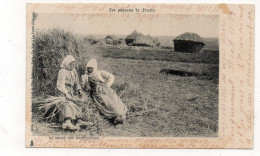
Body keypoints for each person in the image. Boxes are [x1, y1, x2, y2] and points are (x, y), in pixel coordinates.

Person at [81, 59, 128, 124]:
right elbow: (83, 85)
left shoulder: (100, 73)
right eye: (88, 68)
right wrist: (86, 87)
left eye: (91, 68)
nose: (90, 70)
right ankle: (114, 117)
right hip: (97, 92)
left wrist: (107, 85)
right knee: (107, 102)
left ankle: (121, 115)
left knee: (114, 100)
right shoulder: (85, 76)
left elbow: (111, 76)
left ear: (95, 68)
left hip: (106, 90)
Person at [56, 55, 92, 130]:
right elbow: (60, 85)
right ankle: (67, 121)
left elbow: (76, 84)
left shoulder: (74, 72)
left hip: (71, 91)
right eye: (71, 65)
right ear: (67, 64)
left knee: (79, 102)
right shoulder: (62, 71)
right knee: (67, 103)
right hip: (62, 92)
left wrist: (79, 90)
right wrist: (66, 93)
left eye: (74, 65)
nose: (73, 66)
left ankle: (79, 120)